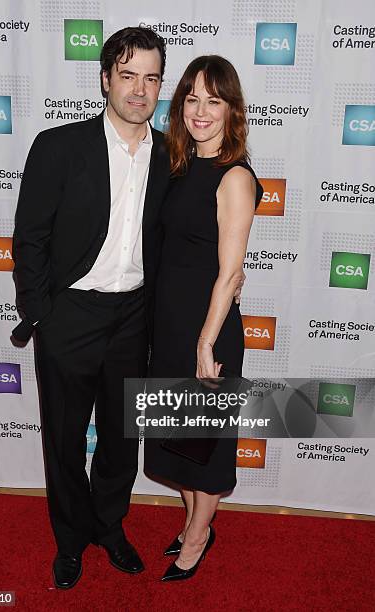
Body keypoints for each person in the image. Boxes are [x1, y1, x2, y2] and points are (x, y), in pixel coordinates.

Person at [12, 27, 171, 589]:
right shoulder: (59, 146)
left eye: (151, 78)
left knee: (122, 438)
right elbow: (29, 237)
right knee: (63, 438)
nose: (139, 89)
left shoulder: (173, 157)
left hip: (134, 317)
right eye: (127, 76)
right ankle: (71, 540)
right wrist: (41, 316)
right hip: (70, 317)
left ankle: (109, 527)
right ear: (105, 80)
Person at [144, 55, 263, 581]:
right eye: (191, 98)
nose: (200, 110)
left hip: (207, 331)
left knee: (206, 446)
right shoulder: (176, 164)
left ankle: (197, 537)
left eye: (213, 100)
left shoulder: (234, 176)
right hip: (169, 326)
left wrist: (205, 343)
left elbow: (231, 273)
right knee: (179, 440)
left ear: (231, 110)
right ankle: (195, 520)